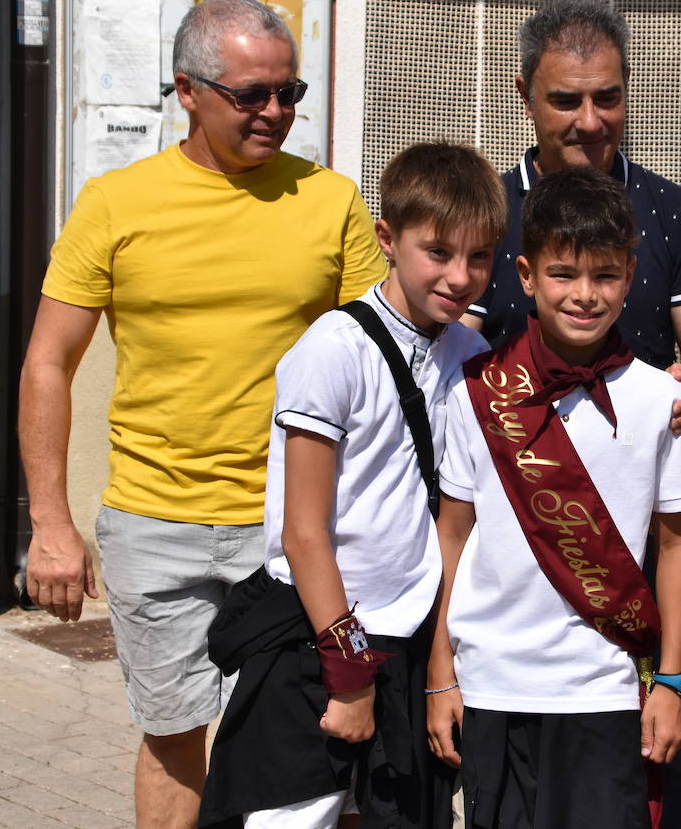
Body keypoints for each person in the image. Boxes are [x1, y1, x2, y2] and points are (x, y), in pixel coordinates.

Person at [18, 0, 386, 826]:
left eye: (288, 93)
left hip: (296, 530)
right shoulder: (115, 203)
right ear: (188, 90)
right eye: (250, 94)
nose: (273, 113)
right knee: (175, 733)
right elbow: (47, 363)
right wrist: (51, 522)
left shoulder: (330, 202)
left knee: (317, 735)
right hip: (157, 522)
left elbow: (385, 359)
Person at [196, 143, 505, 827]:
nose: (460, 276)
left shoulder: (473, 356)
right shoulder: (334, 349)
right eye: (439, 252)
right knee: (291, 814)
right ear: (387, 240)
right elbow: (304, 532)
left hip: (415, 642)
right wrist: (350, 673)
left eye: (479, 257)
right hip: (322, 638)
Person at [427, 167, 681, 829]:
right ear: (525, 275)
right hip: (494, 682)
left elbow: (676, 545)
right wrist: (441, 672)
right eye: (564, 274)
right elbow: (452, 537)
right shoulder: (474, 391)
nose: (585, 294)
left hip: (608, 688)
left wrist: (673, 681)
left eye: (606, 275)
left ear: (632, 273)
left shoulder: (663, 401)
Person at [465, 0, 681, 438]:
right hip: (509, 476)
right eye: (566, 102)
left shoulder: (678, 214)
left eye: (606, 98)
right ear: (525, 96)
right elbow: (452, 354)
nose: (589, 122)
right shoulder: (483, 215)